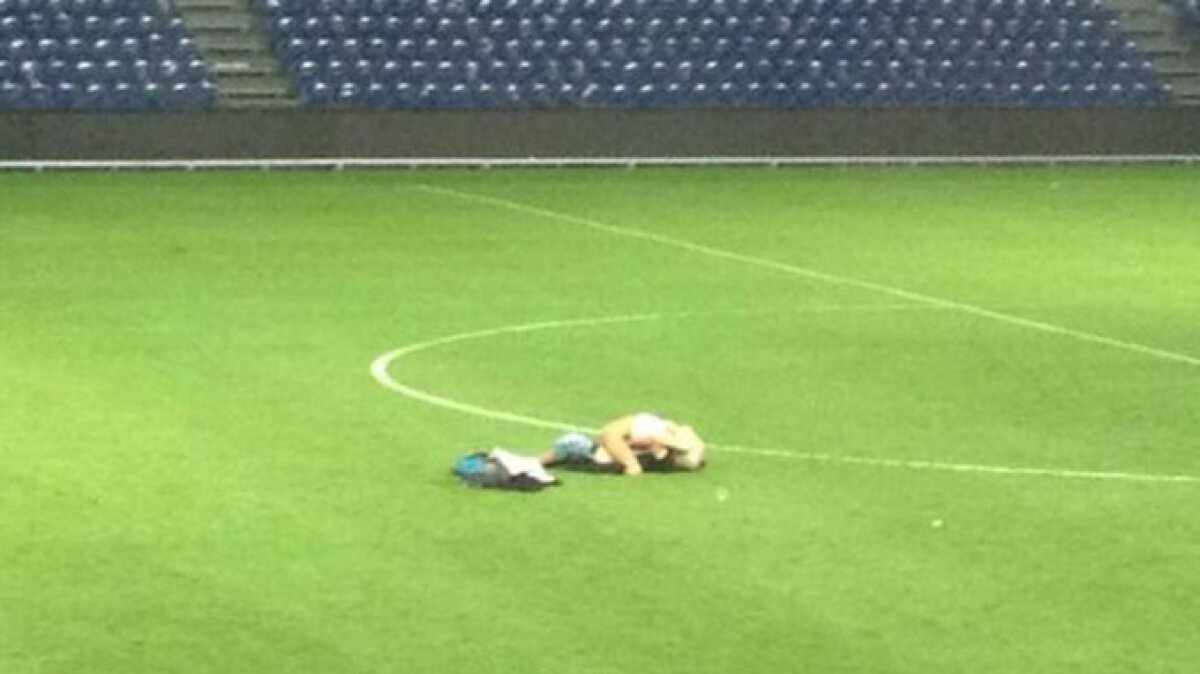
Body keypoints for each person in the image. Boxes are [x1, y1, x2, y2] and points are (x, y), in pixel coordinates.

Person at [539, 412, 707, 475]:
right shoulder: (651, 430)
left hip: (594, 452)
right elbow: (609, 434)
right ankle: (535, 463)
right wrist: (631, 464)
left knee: (573, 447)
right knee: (572, 446)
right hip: (587, 449)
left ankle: (535, 463)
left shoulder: (660, 439)